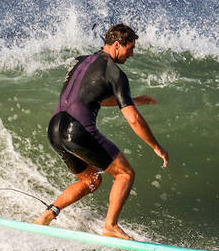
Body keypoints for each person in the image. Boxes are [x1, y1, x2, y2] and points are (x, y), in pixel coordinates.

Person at [35, 24, 169, 239]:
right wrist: (157, 147)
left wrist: (132, 100)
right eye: (130, 48)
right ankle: (110, 225)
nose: (132, 54)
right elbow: (133, 119)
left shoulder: (79, 61)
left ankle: (48, 215)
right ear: (117, 45)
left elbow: (90, 96)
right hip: (77, 130)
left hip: (55, 129)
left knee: (91, 181)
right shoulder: (115, 73)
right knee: (125, 173)